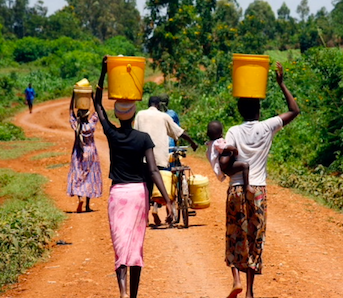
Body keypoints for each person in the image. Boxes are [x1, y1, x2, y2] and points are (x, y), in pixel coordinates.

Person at [94, 56, 173, 298]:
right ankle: (134, 296)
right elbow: (152, 170)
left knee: (120, 245)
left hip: (118, 194)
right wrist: (168, 200)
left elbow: (97, 104)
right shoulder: (143, 139)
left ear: (117, 115)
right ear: (134, 113)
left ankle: (122, 292)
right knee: (136, 245)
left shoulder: (112, 134)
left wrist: (104, 72)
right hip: (139, 194)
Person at [224, 61, 300, 298]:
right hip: (257, 190)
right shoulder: (267, 127)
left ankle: (235, 278)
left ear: (239, 111)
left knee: (235, 234)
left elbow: (226, 165)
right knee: (255, 238)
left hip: (236, 188)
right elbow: (295, 110)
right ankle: (249, 291)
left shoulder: (233, 131)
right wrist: (281, 84)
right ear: (258, 110)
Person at [134, 95, 198, 225]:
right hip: (159, 157)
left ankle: (145, 217)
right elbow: (180, 133)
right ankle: (158, 208)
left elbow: (135, 133)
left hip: (144, 157)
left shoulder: (140, 115)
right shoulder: (164, 116)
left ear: (149, 104)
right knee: (161, 185)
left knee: (146, 186)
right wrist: (192, 143)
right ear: (158, 105)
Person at [66, 91, 102, 213]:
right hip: (91, 152)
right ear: (87, 115)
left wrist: (73, 98)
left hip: (79, 153)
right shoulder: (91, 125)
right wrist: (92, 96)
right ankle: (87, 205)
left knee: (78, 175)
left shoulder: (76, 125)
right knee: (90, 177)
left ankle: (80, 198)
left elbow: (70, 113)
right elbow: (97, 111)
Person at [205, 120, 255, 196]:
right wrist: (234, 150)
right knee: (245, 165)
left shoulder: (210, 144)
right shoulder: (218, 142)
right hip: (227, 167)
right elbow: (225, 147)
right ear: (221, 133)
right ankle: (247, 186)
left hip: (225, 170)